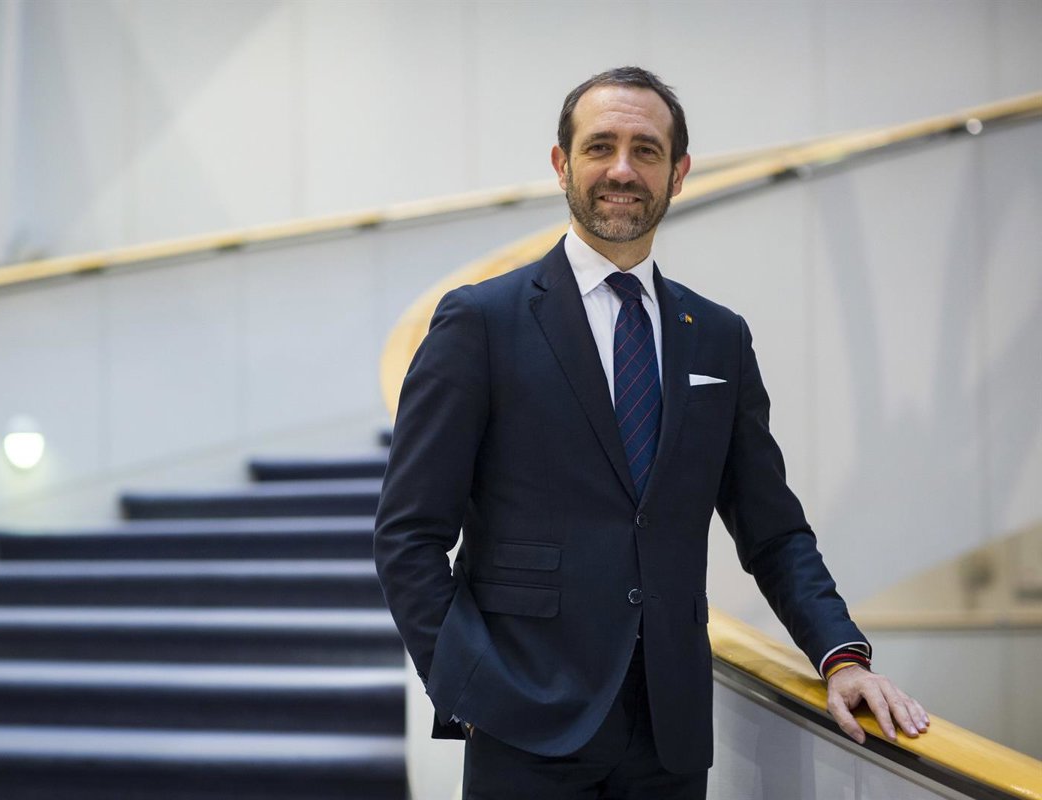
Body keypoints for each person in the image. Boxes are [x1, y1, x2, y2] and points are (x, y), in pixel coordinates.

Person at [373, 66, 928, 800]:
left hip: (670, 734)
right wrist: (468, 684)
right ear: (561, 164)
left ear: (679, 173)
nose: (622, 169)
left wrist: (840, 654)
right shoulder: (481, 322)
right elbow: (408, 535)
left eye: (647, 150)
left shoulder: (719, 337)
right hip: (523, 721)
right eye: (600, 146)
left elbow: (773, 531)